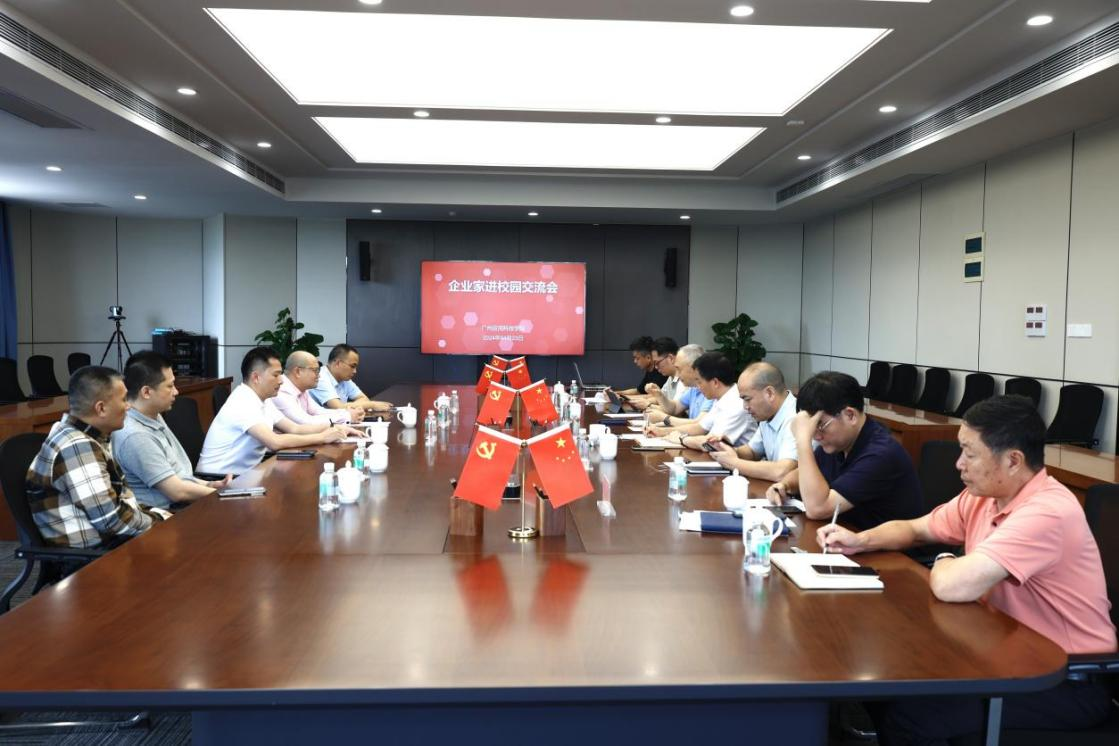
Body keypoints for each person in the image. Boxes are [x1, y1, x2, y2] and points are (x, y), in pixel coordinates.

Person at [818, 395, 1116, 744]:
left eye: (969, 454)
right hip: (1003, 649)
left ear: (1013, 460)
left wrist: (945, 558)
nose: (959, 464)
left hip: (1064, 678)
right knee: (888, 680)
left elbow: (952, 586)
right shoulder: (985, 495)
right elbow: (916, 528)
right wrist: (859, 540)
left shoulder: (1047, 512)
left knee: (912, 716)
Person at [26, 365, 169, 549]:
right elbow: (111, 520)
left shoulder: (82, 436)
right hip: (97, 557)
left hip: (113, 544)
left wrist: (157, 514)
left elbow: (117, 505)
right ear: (101, 408)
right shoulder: (77, 448)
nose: (129, 406)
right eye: (124, 399)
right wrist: (159, 520)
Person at [766, 371, 921, 528]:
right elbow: (804, 472)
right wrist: (784, 486)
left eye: (819, 424)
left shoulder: (881, 454)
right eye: (810, 426)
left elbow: (817, 509)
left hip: (883, 543)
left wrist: (802, 440)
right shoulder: (839, 443)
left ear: (850, 415)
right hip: (847, 535)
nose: (815, 435)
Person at [197, 347, 357, 476]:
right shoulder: (242, 402)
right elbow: (274, 442)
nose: (281, 381)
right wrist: (322, 437)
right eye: (276, 375)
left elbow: (295, 428)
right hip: (218, 481)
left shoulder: (263, 399)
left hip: (246, 475)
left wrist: (335, 428)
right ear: (256, 377)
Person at [113, 351, 231, 509]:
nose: (176, 391)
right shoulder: (135, 435)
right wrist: (224, 493)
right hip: (166, 515)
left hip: (182, 504)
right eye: (170, 386)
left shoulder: (152, 414)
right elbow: (177, 491)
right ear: (146, 392)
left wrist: (210, 485)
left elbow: (180, 476)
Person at [707, 362, 798, 482]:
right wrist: (729, 449)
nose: (745, 407)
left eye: (747, 399)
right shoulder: (767, 413)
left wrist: (734, 463)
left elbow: (782, 472)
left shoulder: (796, 418)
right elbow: (752, 452)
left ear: (769, 393)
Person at [655, 352, 755, 449]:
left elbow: (711, 444)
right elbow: (700, 428)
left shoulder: (736, 404)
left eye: (699, 382)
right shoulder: (721, 398)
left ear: (715, 382)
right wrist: (660, 432)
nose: (697, 387)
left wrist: (682, 439)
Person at [276, 350, 365, 426]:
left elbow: (317, 412)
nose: (319, 375)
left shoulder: (302, 389)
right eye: (315, 370)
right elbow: (305, 422)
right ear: (298, 371)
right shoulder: (282, 390)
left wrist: (347, 412)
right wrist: (347, 416)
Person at [643, 344, 714, 432]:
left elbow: (700, 425)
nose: (677, 374)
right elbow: (675, 408)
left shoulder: (711, 390)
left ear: (694, 367)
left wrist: (664, 418)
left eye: (679, 369)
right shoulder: (692, 388)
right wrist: (659, 394)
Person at [310, 344, 392, 413]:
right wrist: (372, 405)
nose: (355, 371)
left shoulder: (344, 379)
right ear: (338, 363)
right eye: (352, 366)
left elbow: (364, 399)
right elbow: (339, 407)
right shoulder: (320, 378)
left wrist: (348, 407)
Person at [630, 337, 682, 410]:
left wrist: (648, 405)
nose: (656, 367)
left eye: (657, 363)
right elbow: (660, 398)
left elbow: (675, 410)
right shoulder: (671, 378)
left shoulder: (684, 380)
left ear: (670, 358)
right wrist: (645, 401)